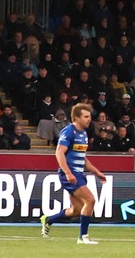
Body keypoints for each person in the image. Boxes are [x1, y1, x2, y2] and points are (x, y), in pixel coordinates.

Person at [42, 102, 104, 244]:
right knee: (90, 200)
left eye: (89, 116)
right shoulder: (69, 131)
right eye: (86, 116)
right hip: (69, 174)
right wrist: (68, 173)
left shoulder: (83, 133)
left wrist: (97, 172)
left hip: (78, 174)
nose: (89, 119)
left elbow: (83, 158)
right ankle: (83, 237)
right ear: (76, 118)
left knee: (76, 210)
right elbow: (59, 153)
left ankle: (48, 220)